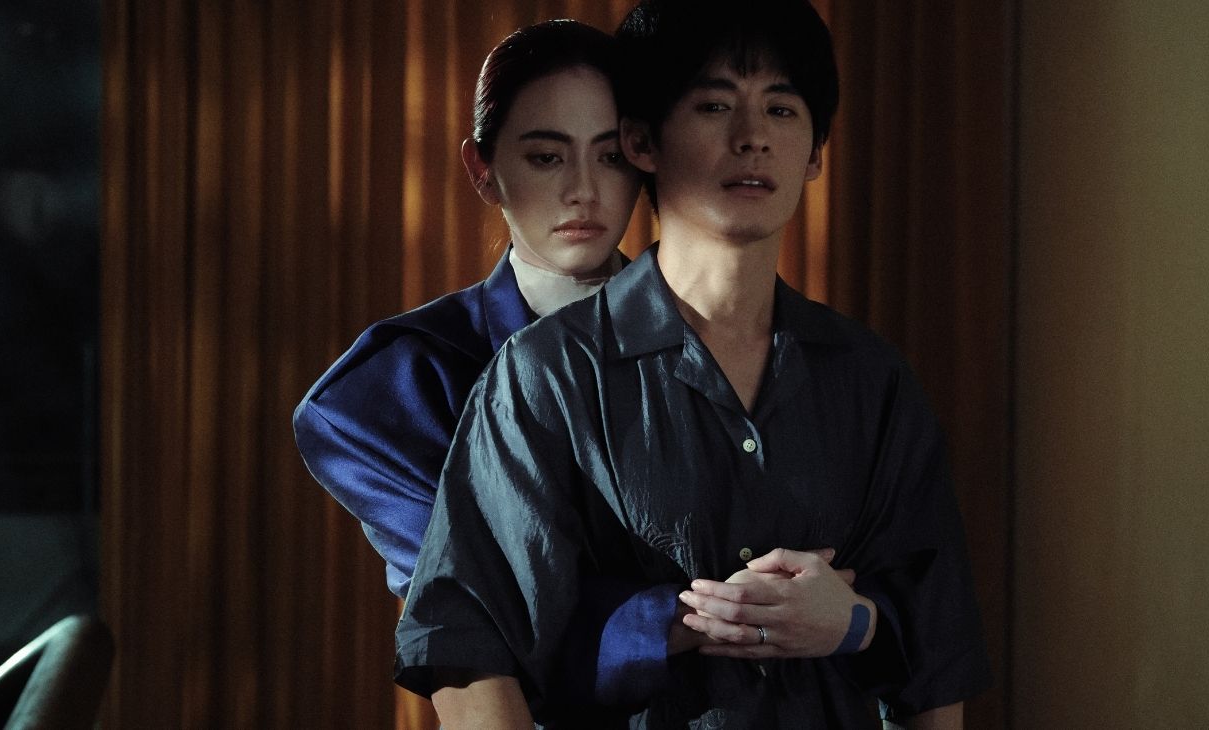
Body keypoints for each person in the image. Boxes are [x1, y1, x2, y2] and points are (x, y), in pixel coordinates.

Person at [392, 1, 992, 728]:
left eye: (781, 109)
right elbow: (466, 645)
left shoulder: (872, 378)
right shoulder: (546, 374)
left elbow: (937, 650)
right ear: (642, 140)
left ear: (815, 153)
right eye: (714, 105)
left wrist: (855, 621)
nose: (752, 137)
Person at [292, 19, 692, 713]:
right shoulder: (397, 386)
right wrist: (708, 617)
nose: (583, 190)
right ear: (483, 170)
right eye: (546, 157)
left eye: (610, 156)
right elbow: (487, 623)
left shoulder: (722, 341)